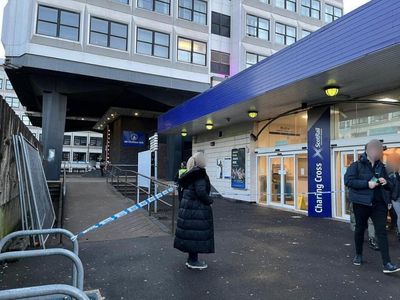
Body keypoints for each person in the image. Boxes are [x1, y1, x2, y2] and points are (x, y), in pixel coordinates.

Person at [344, 139, 399, 274]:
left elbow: (391, 186)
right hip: (361, 204)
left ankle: (387, 263)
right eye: (373, 149)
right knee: (360, 229)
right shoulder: (356, 165)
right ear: (367, 150)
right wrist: (367, 184)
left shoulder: (383, 167)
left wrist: (386, 182)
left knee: (381, 233)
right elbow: (348, 181)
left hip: (379, 205)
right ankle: (358, 254)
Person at [174, 152, 214, 270]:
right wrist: (210, 201)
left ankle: (191, 259)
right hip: (196, 210)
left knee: (192, 234)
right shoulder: (199, 174)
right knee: (195, 234)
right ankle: (193, 261)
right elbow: (201, 192)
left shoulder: (190, 173)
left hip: (188, 208)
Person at [387, 153, 400, 240]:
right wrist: (388, 201)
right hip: (396, 199)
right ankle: (399, 232)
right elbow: (389, 189)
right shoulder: (392, 175)